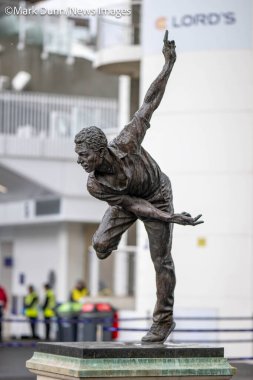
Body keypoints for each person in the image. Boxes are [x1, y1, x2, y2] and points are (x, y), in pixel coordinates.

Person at [75, 31, 203, 343]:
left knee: (162, 260)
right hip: (127, 201)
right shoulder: (95, 184)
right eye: (77, 155)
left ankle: (163, 320)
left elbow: (149, 102)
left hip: (157, 193)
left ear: (102, 150)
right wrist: (167, 218)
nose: (79, 160)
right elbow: (132, 206)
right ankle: (114, 237)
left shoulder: (127, 140)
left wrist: (168, 65)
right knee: (101, 247)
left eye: (84, 155)